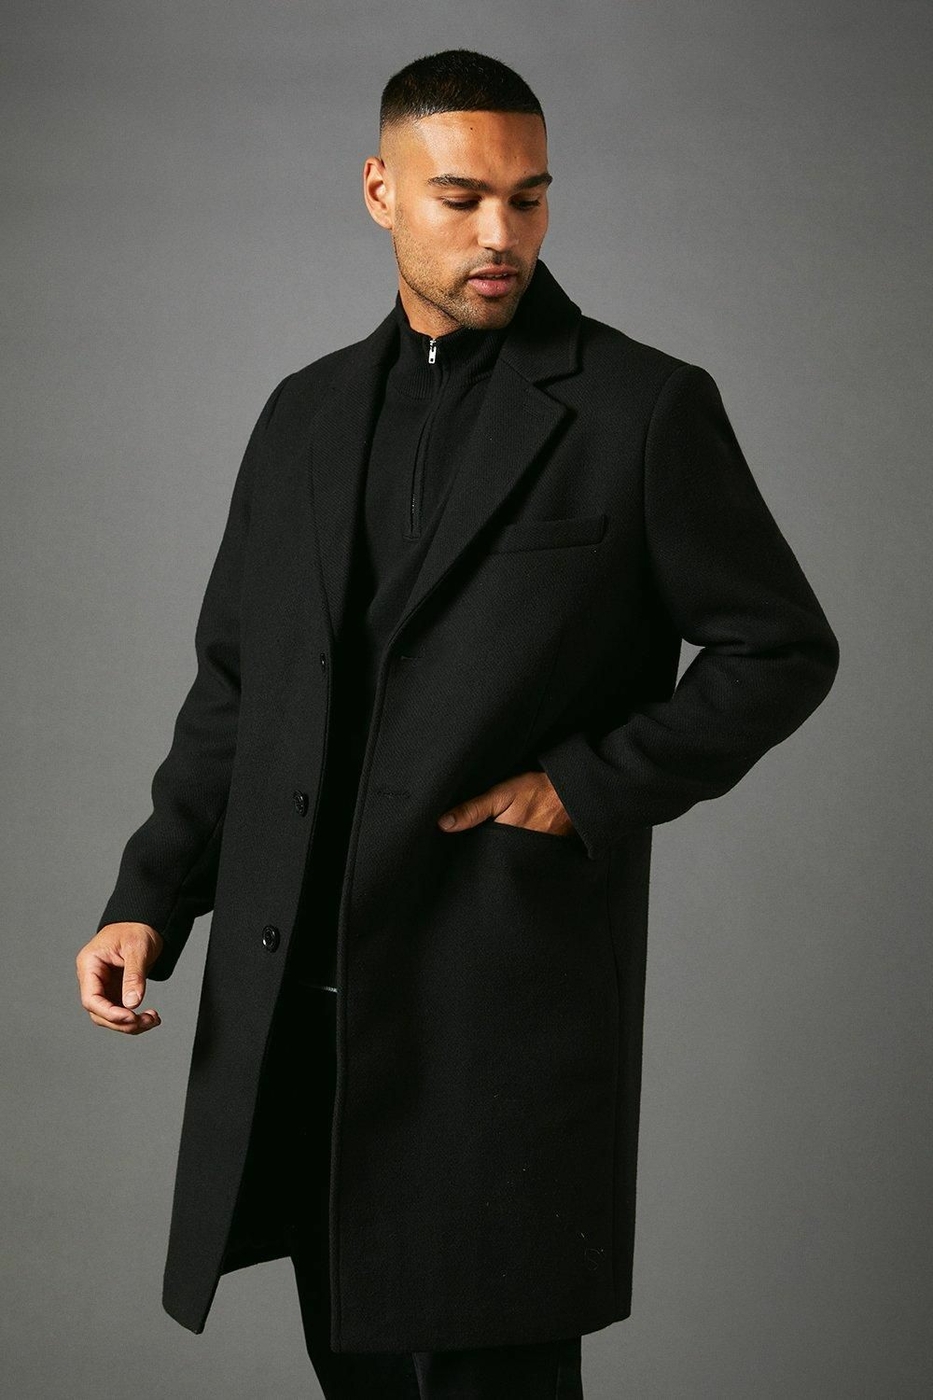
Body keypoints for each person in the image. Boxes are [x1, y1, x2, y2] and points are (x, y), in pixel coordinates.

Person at [76, 48, 840, 1400]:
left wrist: (587, 784)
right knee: (355, 1372)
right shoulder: (303, 416)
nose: (502, 235)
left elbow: (778, 648)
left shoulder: (640, 406)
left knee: (495, 1377)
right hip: (303, 1003)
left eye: (529, 199)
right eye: (463, 198)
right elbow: (236, 689)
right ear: (380, 191)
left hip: (494, 999)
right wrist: (151, 898)